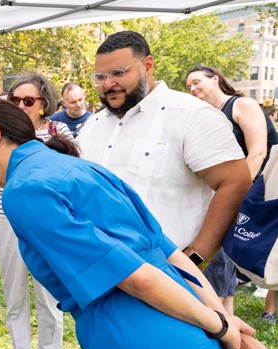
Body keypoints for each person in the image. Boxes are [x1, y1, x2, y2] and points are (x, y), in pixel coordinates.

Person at [0, 98, 274, 349]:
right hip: (190, 341)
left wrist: (225, 329)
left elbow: (137, 278)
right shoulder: (81, 167)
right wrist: (221, 323)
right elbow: (168, 254)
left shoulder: (24, 190)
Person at [77, 31, 252, 295]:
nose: (108, 84)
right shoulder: (94, 125)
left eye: (119, 73)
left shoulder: (191, 115)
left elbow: (236, 183)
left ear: (147, 65)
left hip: (171, 280)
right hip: (102, 279)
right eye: (100, 77)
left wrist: (194, 259)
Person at [0, 72, 69, 349]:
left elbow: (69, 175)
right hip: (6, 217)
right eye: (14, 100)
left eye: (28, 100)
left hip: (46, 221)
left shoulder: (57, 131)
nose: (20, 105)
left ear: (44, 103)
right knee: (15, 295)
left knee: (49, 296)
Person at [186, 64, 278, 314]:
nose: (192, 88)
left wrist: (234, 194)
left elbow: (258, 152)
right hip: (227, 193)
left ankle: (223, 311)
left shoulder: (241, 105)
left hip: (258, 195)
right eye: (189, 86)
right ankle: (222, 312)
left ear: (215, 78)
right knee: (220, 257)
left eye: (197, 82)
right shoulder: (207, 114)